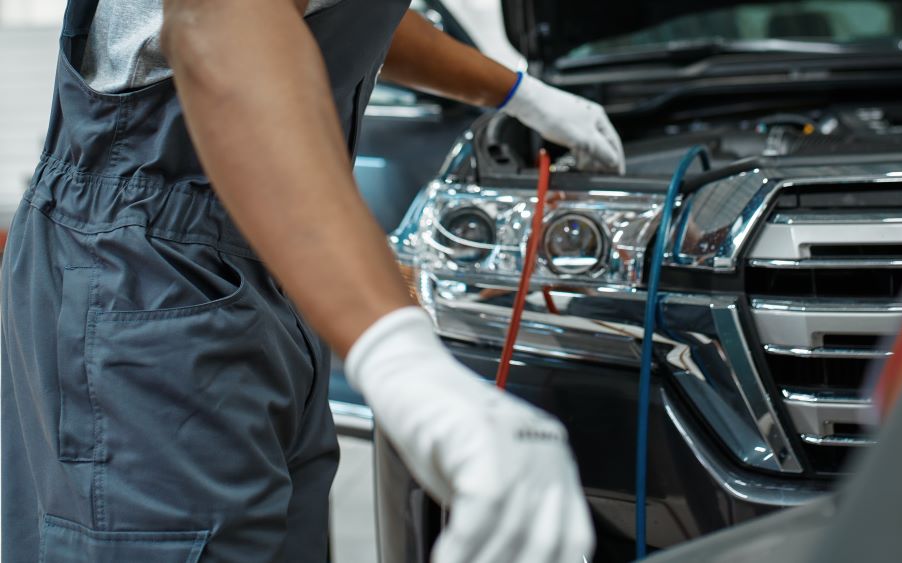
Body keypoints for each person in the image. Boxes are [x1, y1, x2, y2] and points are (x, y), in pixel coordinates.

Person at [1, 0, 626, 562]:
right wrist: (402, 357)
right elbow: (219, 18)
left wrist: (519, 92)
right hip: (145, 266)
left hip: (254, 263)